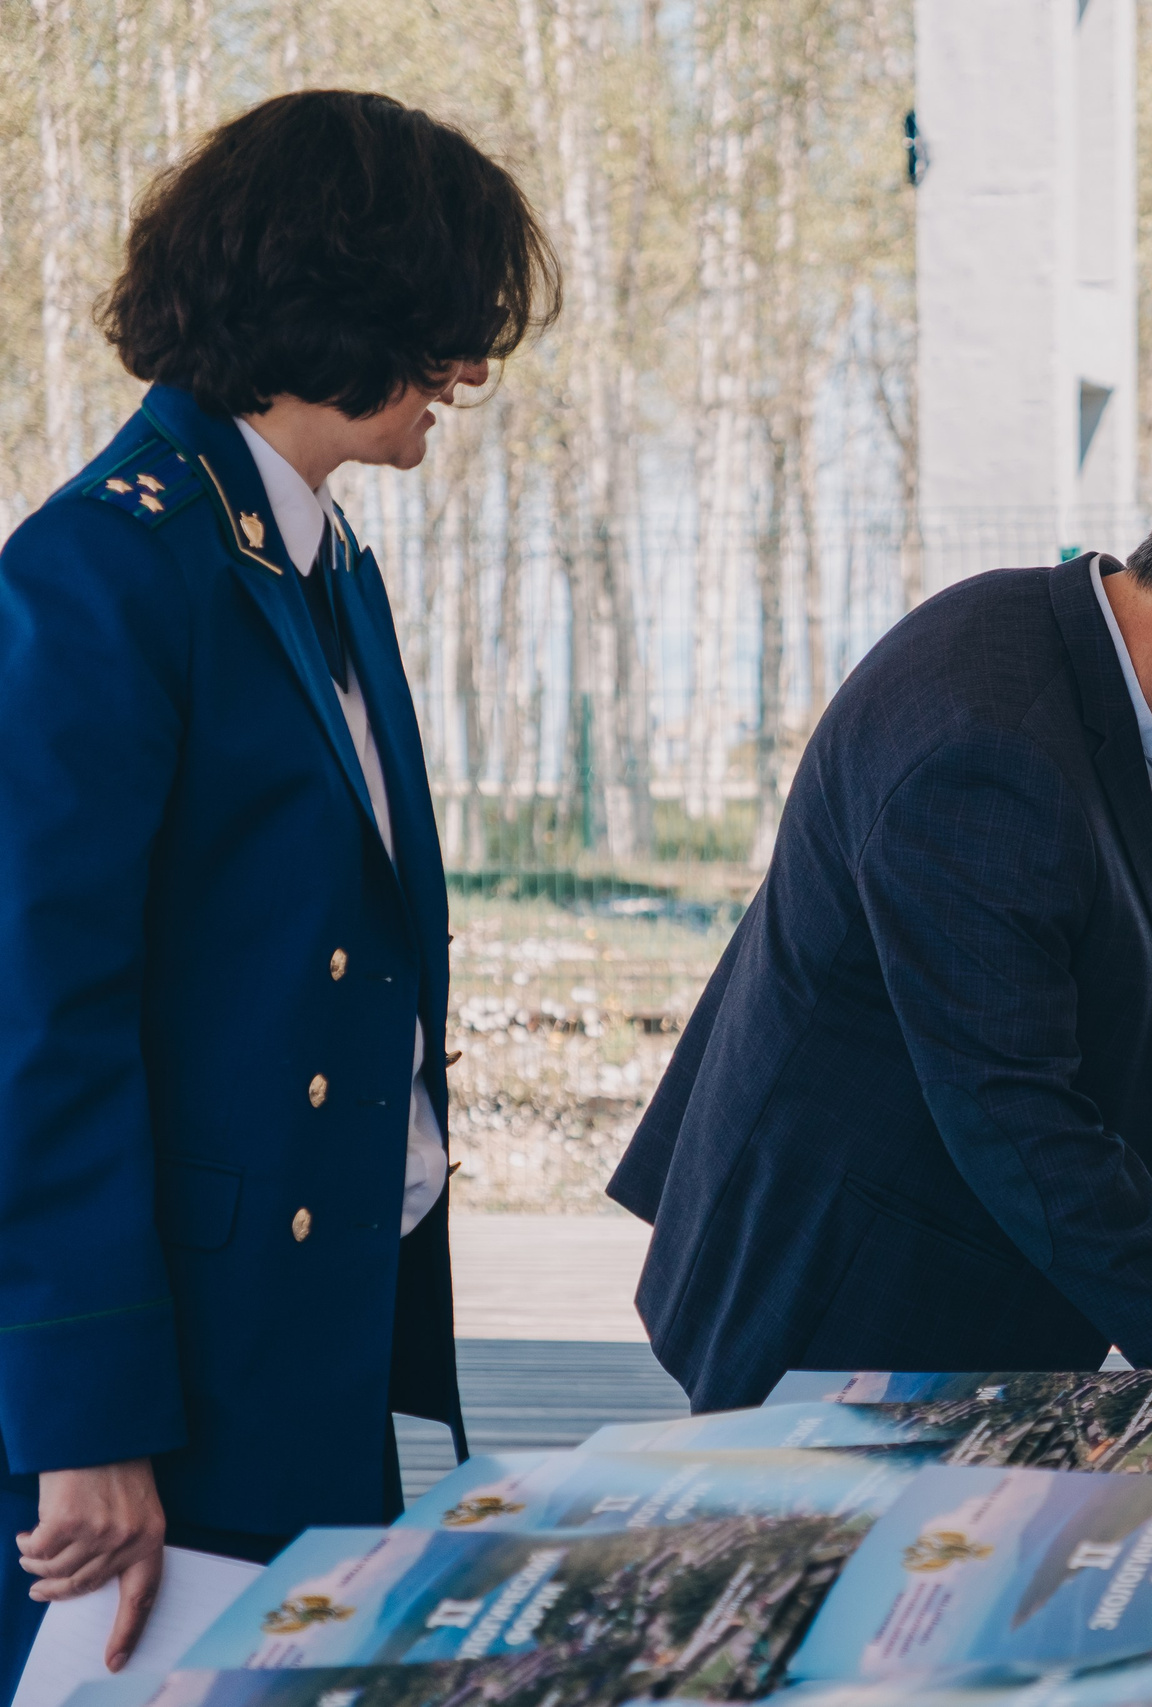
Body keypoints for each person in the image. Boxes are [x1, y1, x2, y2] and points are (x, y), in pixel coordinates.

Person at [0, 91, 555, 1697]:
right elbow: (43, 1026)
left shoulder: (318, 562)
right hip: (170, 1386)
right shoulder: (105, 571)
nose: (468, 364)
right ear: (347, 299)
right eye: (449, 316)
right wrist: (87, 1421)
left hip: (303, 1345)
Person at [609, 436, 1152, 1481]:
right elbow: (1011, 1113)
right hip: (847, 1322)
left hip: (904, 1273)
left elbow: (1010, 983)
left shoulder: (1047, 646)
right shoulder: (991, 745)